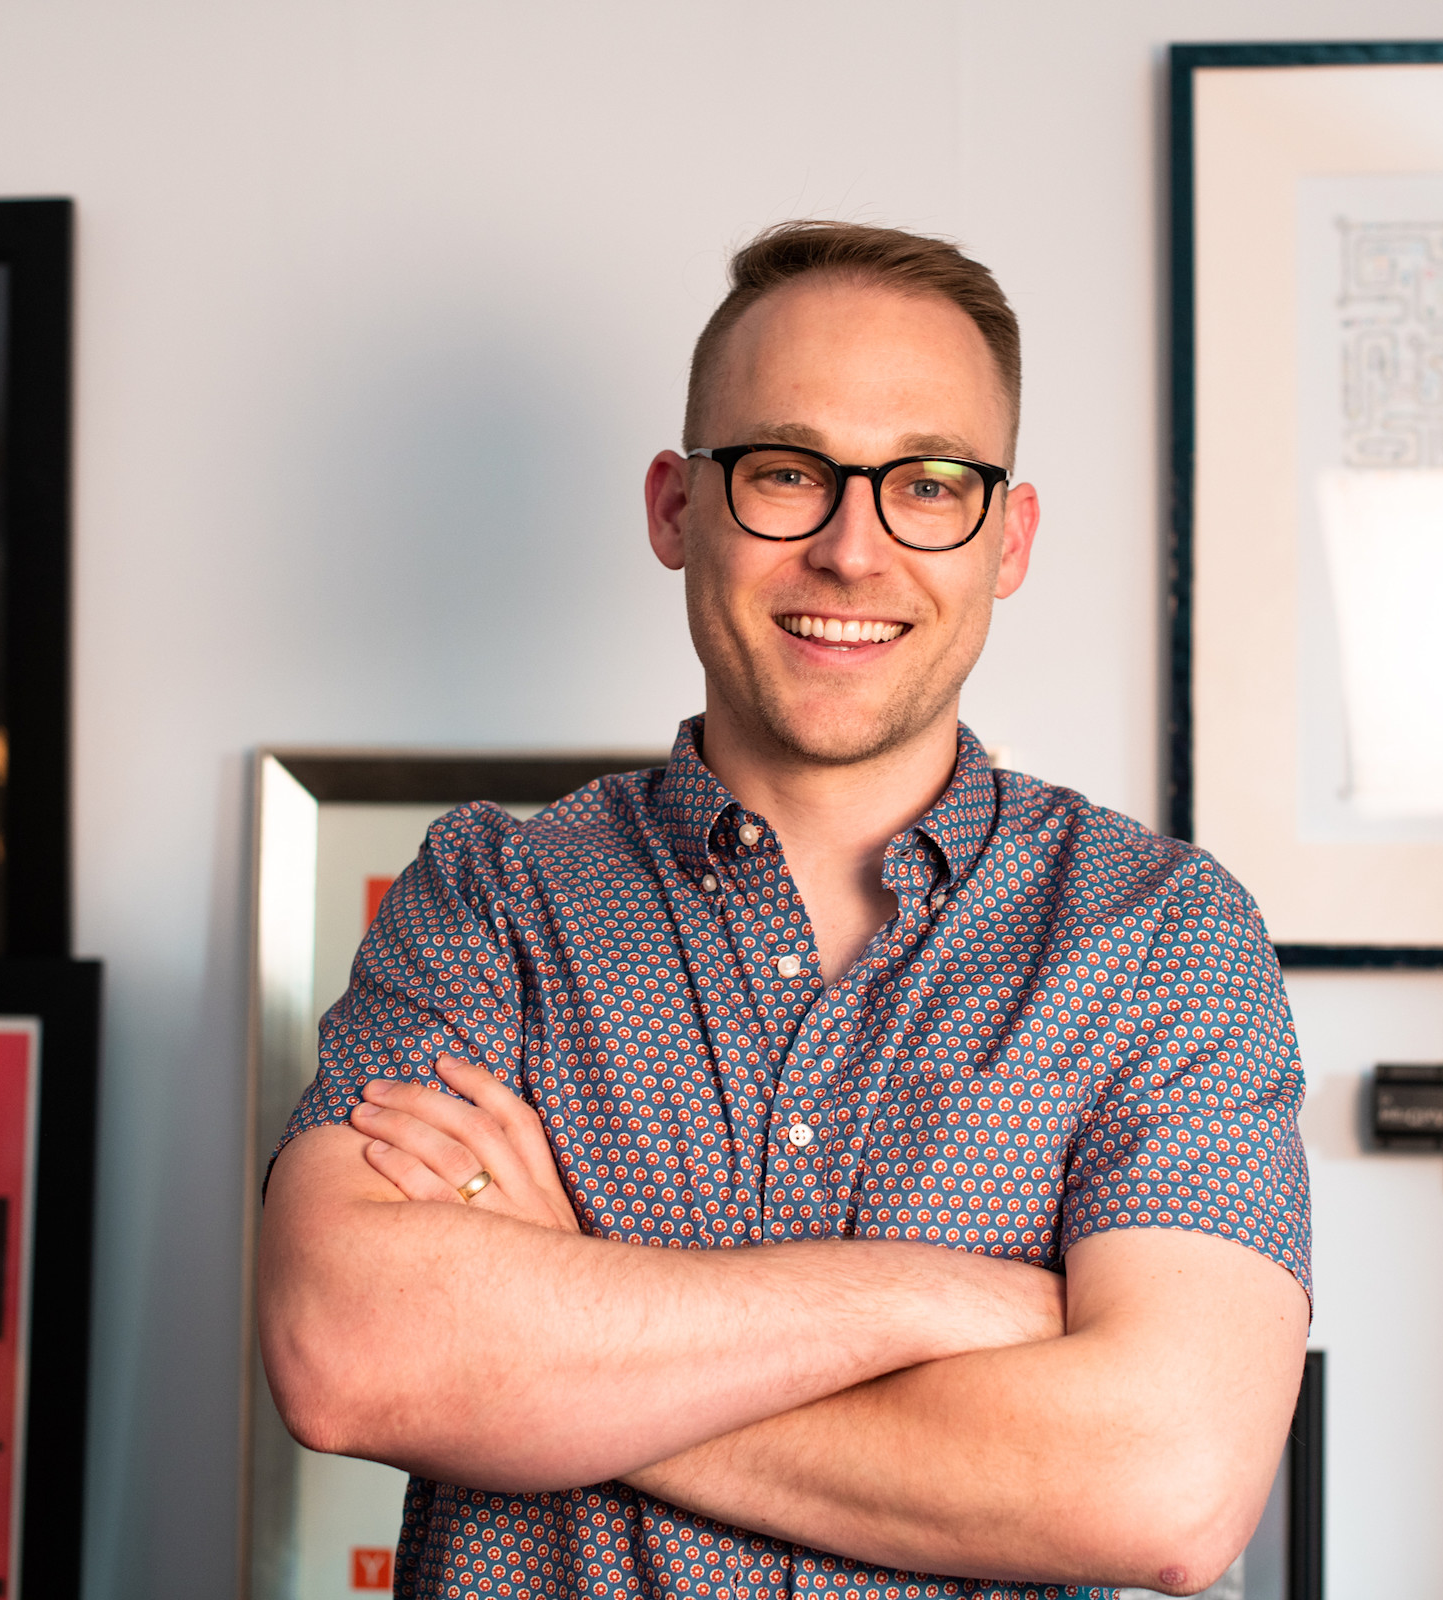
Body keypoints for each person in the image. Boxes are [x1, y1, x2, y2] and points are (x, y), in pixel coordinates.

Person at [257, 220, 1310, 1600]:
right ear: (675, 508)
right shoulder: (492, 898)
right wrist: (935, 1299)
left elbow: (1166, 1488)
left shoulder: (1163, 938)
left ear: (1009, 536)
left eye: (929, 484)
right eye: (786, 474)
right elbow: (350, 1357)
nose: (853, 550)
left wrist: (567, 1337)